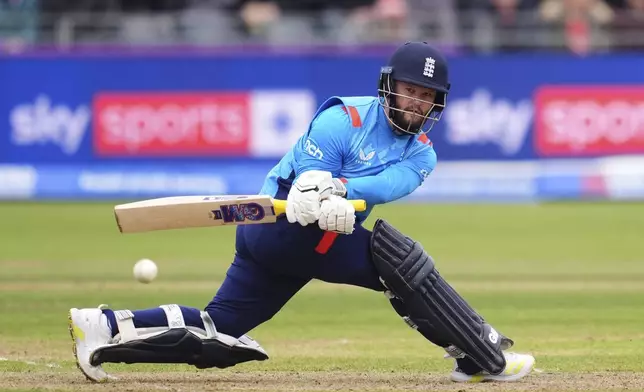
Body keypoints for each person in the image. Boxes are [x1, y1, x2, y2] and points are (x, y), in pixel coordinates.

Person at [68, 42, 535, 384]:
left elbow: (389, 185)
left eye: (426, 95)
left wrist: (340, 190)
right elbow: (309, 172)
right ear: (388, 87)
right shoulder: (343, 118)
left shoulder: (423, 155)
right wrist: (312, 191)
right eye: (410, 89)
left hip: (319, 238)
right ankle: (480, 353)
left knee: (218, 330)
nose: (416, 102)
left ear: (438, 102)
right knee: (400, 260)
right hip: (277, 228)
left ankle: (105, 326)